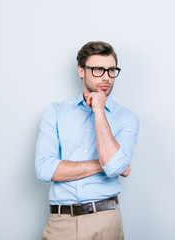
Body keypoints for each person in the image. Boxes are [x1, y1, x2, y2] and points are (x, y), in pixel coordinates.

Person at [35, 41, 140, 240]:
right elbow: (45, 169)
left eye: (111, 70)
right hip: (60, 222)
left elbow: (116, 166)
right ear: (81, 71)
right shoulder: (55, 112)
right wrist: (109, 165)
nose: (106, 78)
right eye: (98, 70)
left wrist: (99, 110)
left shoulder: (127, 118)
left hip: (105, 220)